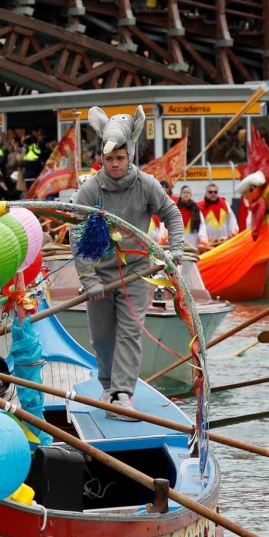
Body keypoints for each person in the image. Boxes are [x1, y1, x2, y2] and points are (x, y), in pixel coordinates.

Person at [75, 107, 184, 417]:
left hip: (137, 272)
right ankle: (108, 386)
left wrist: (175, 249)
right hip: (99, 275)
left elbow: (172, 214)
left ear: (129, 156)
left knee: (130, 332)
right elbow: (76, 235)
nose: (114, 164)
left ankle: (123, 393)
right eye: (109, 159)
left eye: (120, 159)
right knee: (102, 336)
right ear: (103, 159)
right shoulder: (90, 189)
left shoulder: (147, 184)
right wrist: (89, 279)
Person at [197, 182, 238, 248]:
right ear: (206, 193)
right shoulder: (200, 206)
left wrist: (233, 235)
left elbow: (232, 219)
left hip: (225, 243)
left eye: (215, 192)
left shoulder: (224, 203)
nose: (213, 194)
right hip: (209, 245)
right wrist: (203, 242)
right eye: (210, 192)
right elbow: (199, 226)